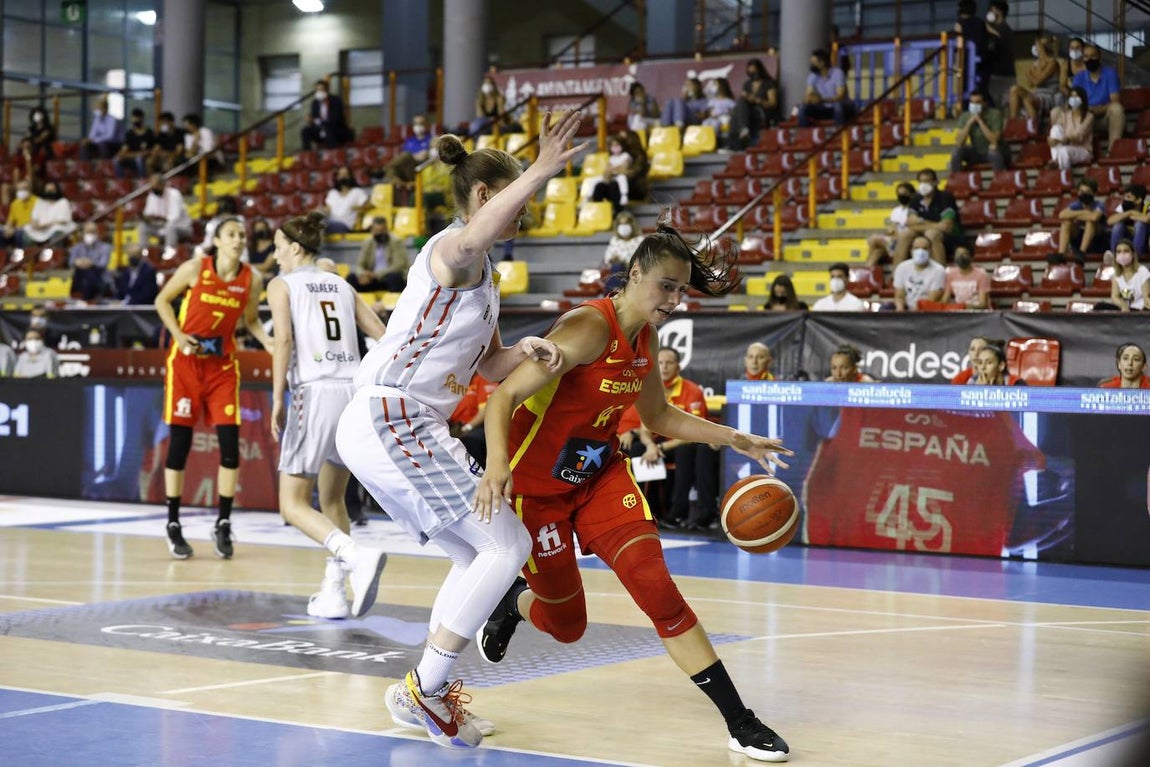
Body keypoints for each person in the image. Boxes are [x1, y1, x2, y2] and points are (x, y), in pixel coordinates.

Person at [473, 223, 793, 763]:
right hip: (537, 493)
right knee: (569, 627)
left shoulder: (646, 336)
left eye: (681, 290)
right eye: (666, 286)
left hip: (599, 478)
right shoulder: (585, 328)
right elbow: (502, 400)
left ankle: (740, 721)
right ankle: (515, 606)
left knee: (658, 592)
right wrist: (497, 467)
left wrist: (734, 438)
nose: (673, 299)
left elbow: (659, 416)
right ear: (635, 274)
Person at [336, 112, 585, 750]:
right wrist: (538, 169)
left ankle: (421, 688)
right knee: (510, 545)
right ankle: (428, 684)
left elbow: (490, 365)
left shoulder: (485, 280)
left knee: (481, 552)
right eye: (516, 199)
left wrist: (534, 350)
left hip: (401, 423)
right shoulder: (451, 250)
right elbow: (472, 241)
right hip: (393, 415)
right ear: (483, 197)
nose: (525, 212)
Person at [266, 211, 389, 620]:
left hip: (313, 390)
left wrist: (278, 396)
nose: (275, 253)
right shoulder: (342, 284)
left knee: (292, 503)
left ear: (296, 247)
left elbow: (283, 339)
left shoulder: (281, 285)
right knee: (333, 497)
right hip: (351, 392)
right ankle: (334, 592)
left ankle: (355, 555)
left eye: (279, 245)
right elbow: (382, 336)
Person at [153, 217, 273, 560]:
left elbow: (250, 320)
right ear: (218, 240)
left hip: (222, 367)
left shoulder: (253, 278)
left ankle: (222, 522)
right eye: (231, 235)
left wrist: (267, 341)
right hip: (187, 365)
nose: (238, 240)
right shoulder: (196, 268)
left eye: (241, 235)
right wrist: (178, 336)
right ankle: (173, 524)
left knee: (230, 448)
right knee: (179, 446)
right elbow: (162, 301)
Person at [893, 169, 962, 265]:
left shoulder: (945, 197)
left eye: (927, 181)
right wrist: (935, 224)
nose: (923, 185)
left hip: (950, 238)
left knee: (931, 234)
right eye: (921, 182)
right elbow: (910, 224)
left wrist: (921, 221)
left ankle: (940, 273)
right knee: (904, 235)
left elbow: (946, 227)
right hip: (923, 235)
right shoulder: (916, 199)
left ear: (935, 182)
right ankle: (896, 276)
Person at [1072, 43, 1124, 153]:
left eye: (1093, 56)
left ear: (1099, 57)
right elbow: (1074, 103)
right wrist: (1088, 110)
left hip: (1104, 118)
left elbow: (1115, 101)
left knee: (1117, 109)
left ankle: (1113, 152)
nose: (1089, 59)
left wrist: (1099, 109)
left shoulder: (1110, 73)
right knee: (1059, 111)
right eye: (1086, 56)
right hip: (1085, 118)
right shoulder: (1079, 77)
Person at [1009, 34, 1063, 120]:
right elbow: (1031, 84)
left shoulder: (1053, 63)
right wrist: (1031, 75)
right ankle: (1013, 122)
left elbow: (1037, 81)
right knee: (1014, 90)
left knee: (1027, 99)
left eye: (1037, 46)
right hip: (1036, 93)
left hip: (1048, 95)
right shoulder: (1036, 63)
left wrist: (1030, 74)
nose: (1035, 48)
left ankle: (1033, 126)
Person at [349, 216, 409, 292]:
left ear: (387, 229)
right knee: (351, 278)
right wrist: (363, 274)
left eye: (382, 230)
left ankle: (394, 302)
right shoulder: (368, 242)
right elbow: (360, 265)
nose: (380, 233)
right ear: (372, 231)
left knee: (394, 277)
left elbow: (398, 266)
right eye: (377, 231)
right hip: (372, 279)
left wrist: (376, 274)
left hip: (388, 277)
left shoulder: (396, 242)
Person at [950, 91, 1007, 171]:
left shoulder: (995, 114)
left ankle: (1000, 180)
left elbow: (994, 141)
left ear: (984, 103)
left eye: (978, 102)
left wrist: (980, 121)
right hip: (976, 151)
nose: (974, 105)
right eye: (972, 102)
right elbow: (959, 142)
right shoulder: (965, 116)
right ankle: (957, 180)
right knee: (956, 151)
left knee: (993, 151)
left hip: (995, 150)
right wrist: (969, 122)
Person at [797, 48, 854, 127]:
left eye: (814, 63)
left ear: (822, 63)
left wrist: (822, 100)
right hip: (825, 108)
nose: (811, 65)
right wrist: (809, 99)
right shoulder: (813, 75)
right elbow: (808, 94)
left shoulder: (837, 73)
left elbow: (840, 96)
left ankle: (840, 135)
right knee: (802, 108)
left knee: (838, 106)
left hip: (844, 107)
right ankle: (805, 135)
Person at [728, 59, 778, 149]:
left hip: (762, 110)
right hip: (748, 111)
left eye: (754, 71)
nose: (753, 74)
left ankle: (741, 134)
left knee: (739, 110)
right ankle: (740, 135)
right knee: (737, 109)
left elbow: (772, 103)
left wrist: (756, 100)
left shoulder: (768, 83)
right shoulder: (747, 84)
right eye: (750, 71)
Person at [139, 173, 193, 250]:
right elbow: (148, 213)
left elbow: (174, 217)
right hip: (160, 225)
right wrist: (147, 219)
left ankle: (169, 254)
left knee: (170, 227)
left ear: (162, 185)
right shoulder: (152, 196)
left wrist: (162, 223)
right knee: (143, 226)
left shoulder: (174, 194)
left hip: (181, 227)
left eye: (155, 185)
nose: (152, 187)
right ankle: (144, 252)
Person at [867, 181, 915, 266]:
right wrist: (891, 231)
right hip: (894, 238)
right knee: (876, 250)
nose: (901, 196)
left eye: (904, 193)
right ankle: (868, 270)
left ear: (911, 194)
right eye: (899, 194)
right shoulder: (896, 210)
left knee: (874, 240)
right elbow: (892, 227)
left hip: (906, 239)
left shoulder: (915, 209)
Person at [893, 235, 947, 311]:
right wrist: (900, 310)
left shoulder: (938, 270)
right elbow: (899, 295)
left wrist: (915, 314)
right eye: (916, 248)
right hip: (907, 309)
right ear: (911, 250)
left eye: (925, 248)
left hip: (927, 312)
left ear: (930, 251)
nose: (920, 251)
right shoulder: (901, 267)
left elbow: (933, 299)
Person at [1047, 85, 1094, 170]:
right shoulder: (1064, 115)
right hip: (1065, 146)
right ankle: (1057, 161)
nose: (1074, 99)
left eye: (1076, 97)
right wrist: (1051, 140)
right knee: (1055, 128)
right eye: (1072, 97)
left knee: (1064, 151)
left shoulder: (1089, 116)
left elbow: (1079, 136)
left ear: (1082, 99)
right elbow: (1057, 133)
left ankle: (1057, 163)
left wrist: (1065, 140)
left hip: (1083, 149)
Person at [1058, 177, 1105, 261]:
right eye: (1081, 191)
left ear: (1093, 193)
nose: (1083, 194)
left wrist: (1073, 215)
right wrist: (1084, 213)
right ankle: (1061, 254)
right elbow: (1062, 215)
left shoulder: (1099, 205)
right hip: (1078, 238)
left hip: (1097, 241)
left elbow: (1094, 217)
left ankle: (1081, 253)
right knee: (1066, 222)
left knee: (1090, 222)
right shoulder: (1076, 205)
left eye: (1087, 192)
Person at [581, 134, 632, 209]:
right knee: (590, 180)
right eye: (613, 146)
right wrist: (612, 169)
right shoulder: (611, 158)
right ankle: (586, 197)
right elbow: (607, 169)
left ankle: (624, 196)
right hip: (610, 176)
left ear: (622, 145)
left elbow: (624, 168)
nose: (615, 147)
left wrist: (613, 169)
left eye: (617, 145)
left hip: (618, 176)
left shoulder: (625, 155)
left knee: (622, 178)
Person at [301, 79, 352, 150]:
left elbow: (335, 120)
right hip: (321, 130)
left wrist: (315, 121)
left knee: (327, 128)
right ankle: (307, 154)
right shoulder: (315, 103)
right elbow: (314, 118)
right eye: (317, 90)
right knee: (305, 131)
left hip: (335, 130)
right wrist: (310, 120)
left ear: (327, 90)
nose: (319, 92)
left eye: (321, 89)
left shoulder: (336, 100)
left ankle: (334, 153)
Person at [69, 222, 113, 302]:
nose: (90, 234)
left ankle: (85, 299)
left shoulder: (105, 247)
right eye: (88, 232)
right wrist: (78, 262)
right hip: (81, 277)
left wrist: (91, 263)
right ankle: (81, 298)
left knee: (89, 271)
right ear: (83, 233)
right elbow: (71, 262)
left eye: (92, 232)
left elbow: (102, 264)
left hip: (100, 278)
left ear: (97, 233)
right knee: (81, 271)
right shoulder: (77, 247)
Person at [22, 180, 76, 245]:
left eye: (51, 190)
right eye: (47, 190)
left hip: (55, 228)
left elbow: (63, 221)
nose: (49, 192)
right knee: (26, 230)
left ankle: (56, 253)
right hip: (40, 229)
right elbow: (34, 217)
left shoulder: (63, 202)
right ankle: (30, 252)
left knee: (57, 230)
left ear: (56, 191)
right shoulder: (40, 202)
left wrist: (45, 225)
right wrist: (35, 225)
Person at [984, 1, 1015, 109]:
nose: (990, 13)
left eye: (992, 10)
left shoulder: (1004, 30)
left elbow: (994, 47)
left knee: (1004, 108)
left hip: (1001, 76)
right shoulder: (1000, 29)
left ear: (999, 11)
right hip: (1002, 75)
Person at [1107, 184, 1149, 259]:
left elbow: (1147, 219)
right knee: (1117, 226)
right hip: (1127, 239)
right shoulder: (1123, 206)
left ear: (1138, 200)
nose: (1125, 199)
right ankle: (1114, 257)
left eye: (1128, 197)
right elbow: (1110, 221)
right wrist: (1130, 212)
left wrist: (1130, 215)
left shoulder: (1147, 205)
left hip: (1144, 240)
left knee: (1139, 224)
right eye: (1125, 196)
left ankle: (1134, 258)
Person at [1108, 239, 1150, 312]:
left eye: (1126, 251)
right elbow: (1114, 296)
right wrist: (1122, 305)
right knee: (1099, 306)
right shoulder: (1116, 274)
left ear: (1133, 254)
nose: (1122, 254)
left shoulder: (1143, 271)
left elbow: (1146, 296)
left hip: (1140, 310)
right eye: (1119, 252)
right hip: (1124, 309)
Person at [116, 108, 156, 178]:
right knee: (116, 160)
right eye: (134, 118)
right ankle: (121, 181)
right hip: (131, 158)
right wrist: (121, 154)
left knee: (139, 159)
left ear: (142, 119)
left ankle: (142, 179)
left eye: (137, 118)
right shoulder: (129, 134)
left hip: (144, 159)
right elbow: (124, 149)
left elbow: (152, 149)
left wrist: (145, 153)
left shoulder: (149, 133)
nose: (135, 120)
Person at [79, 96, 121, 161]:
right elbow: (92, 134)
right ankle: (85, 166)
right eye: (96, 108)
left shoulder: (112, 120)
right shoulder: (97, 119)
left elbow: (109, 137)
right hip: (100, 142)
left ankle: (106, 165)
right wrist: (88, 140)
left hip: (114, 144)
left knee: (102, 145)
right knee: (84, 145)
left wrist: (93, 140)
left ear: (105, 108)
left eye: (98, 108)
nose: (96, 110)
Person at [702, 77, 739, 147]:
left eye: (716, 84)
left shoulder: (729, 101)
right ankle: (706, 142)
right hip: (713, 118)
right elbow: (710, 111)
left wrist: (724, 113)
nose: (713, 87)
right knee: (706, 122)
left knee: (720, 122)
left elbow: (734, 112)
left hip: (724, 118)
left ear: (722, 86)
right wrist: (711, 114)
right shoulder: (712, 101)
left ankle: (716, 143)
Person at [2, 180, 37, 247]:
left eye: (24, 189)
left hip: (30, 230)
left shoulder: (37, 202)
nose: (22, 192)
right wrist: (8, 228)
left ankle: (22, 255)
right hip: (17, 229)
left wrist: (16, 229)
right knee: (2, 233)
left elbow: (36, 222)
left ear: (30, 190)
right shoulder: (15, 204)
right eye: (20, 189)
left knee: (19, 233)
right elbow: (10, 221)